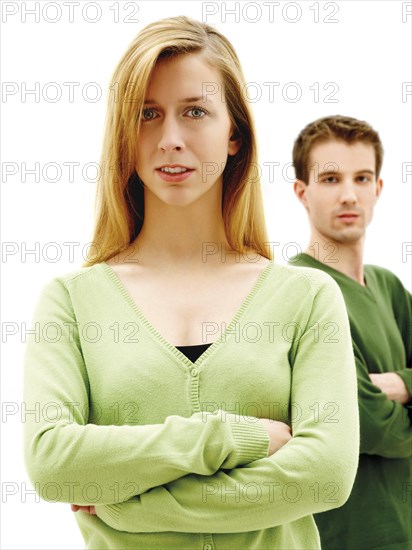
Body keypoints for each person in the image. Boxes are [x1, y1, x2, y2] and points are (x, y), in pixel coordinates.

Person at [23, 18, 359, 549]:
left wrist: (131, 505)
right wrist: (235, 437)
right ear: (125, 137)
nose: (170, 139)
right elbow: (52, 465)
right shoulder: (69, 302)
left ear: (234, 135)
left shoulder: (308, 298)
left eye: (195, 112)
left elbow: (326, 475)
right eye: (147, 114)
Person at [290, 114, 412, 549]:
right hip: (342, 536)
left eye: (362, 178)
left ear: (378, 188)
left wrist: (395, 384)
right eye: (330, 178)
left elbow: (367, 407)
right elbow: (366, 424)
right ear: (302, 192)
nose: (348, 194)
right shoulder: (298, 291)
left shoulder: (390, 288)